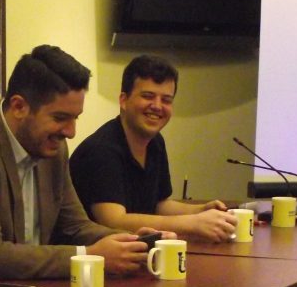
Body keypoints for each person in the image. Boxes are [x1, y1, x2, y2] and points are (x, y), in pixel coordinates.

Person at [0, 44, 165, 285]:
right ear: (19, 107)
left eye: (75, 118)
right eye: (60, 118)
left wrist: (131, 242)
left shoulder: (51, 145)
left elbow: (75, 227)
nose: (71, 132)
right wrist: (89, 256)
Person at [69, 55, 236, 243]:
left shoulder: (155, 142)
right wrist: (192, 223)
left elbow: (158, 205)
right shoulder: (100, 150)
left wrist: (200, 211)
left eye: (166, 100)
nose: (157, 106)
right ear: (123, 100)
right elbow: (113, 220)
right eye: (148, 96)